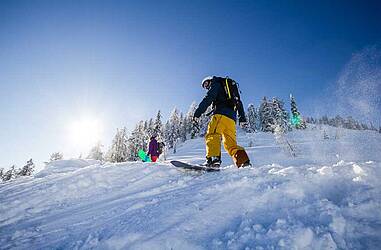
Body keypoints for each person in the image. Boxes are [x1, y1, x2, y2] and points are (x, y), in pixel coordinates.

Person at [193, 76, 251, 168]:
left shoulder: (216, 84)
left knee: (212, 134)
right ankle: (243, 161)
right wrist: (242, 118)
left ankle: (213, 160)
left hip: (220, 115)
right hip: (231, 119)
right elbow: (239, 102)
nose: (206, 87)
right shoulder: (229, 89)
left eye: (206, 84)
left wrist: (197, 113)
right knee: (230, 144)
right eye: (204, 87)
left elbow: (209, 98)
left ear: (210, 80)